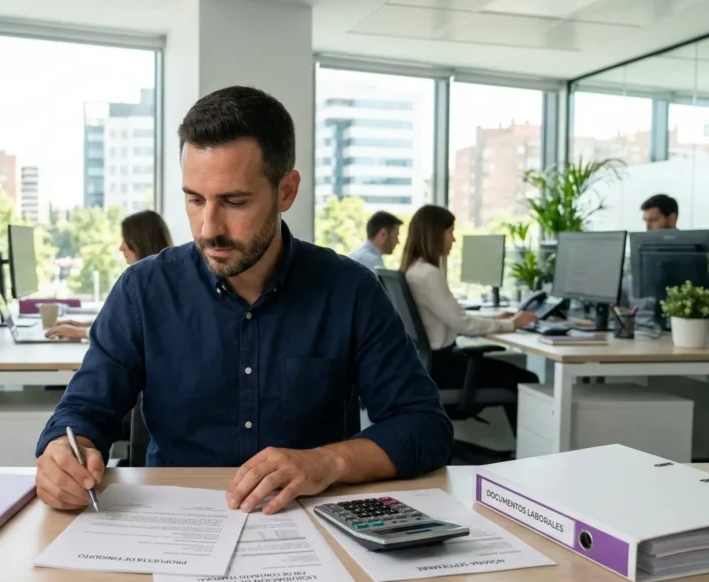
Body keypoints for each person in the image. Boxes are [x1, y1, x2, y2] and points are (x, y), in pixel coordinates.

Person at [34, 85, 452, 516]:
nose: (207, 228)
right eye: (194, 199)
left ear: (286, 192)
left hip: (304, 525)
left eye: (233, 201)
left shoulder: (350, 290)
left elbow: (424, 427)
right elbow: (82, 412)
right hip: (171, 526)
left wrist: (325, 461)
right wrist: (66, 454)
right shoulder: (143, 290)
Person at [400, 205, 539, 434]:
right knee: (528, 379)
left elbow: (452, 317)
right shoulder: (429, 274)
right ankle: (529, 456)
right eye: (450, 232)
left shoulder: (414, 271)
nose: (453, 239)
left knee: (512, 372)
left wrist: (495, 318)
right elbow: (463, 324)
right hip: (445, 368)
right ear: (435, 234)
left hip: (431, 366)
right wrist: (513, 323)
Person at [45, 210, 173, 340]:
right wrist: (86, 326)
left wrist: (81, 332)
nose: (121, 247)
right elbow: (127, 326)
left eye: (126, 240)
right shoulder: (156, 278)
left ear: (142, 242)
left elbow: (133, 336)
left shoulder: (155, 284)